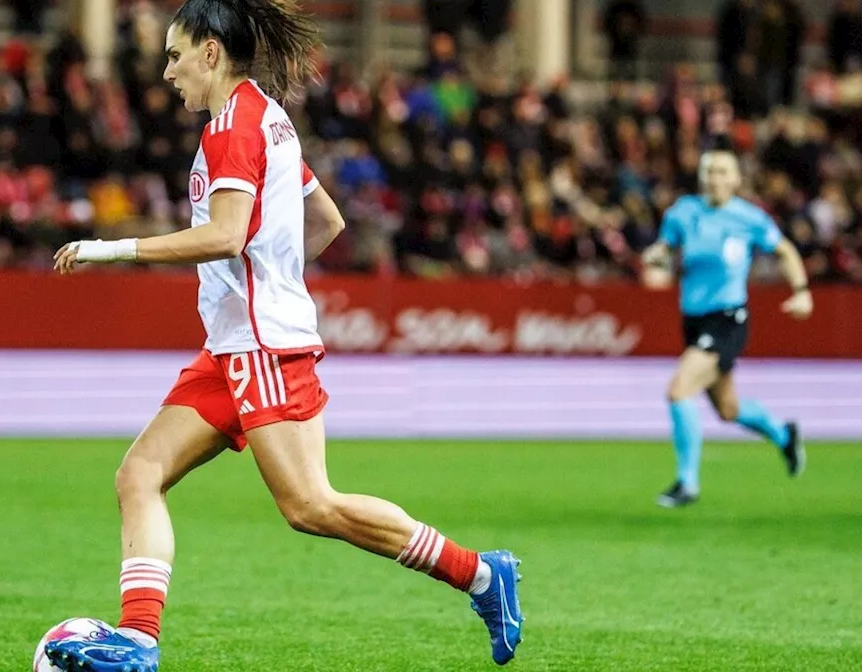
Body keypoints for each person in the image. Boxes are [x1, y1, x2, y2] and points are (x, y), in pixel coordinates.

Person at [44, 1, 524, 670]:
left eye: (177, 54)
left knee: (310, 505)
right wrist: (275, 279)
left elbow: (226, 234)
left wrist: (113, 248)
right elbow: (324, 220)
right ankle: (138, 642)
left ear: (211, 52)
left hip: (261, 345)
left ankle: (479, 574)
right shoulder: (268, 119)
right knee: (140, 473)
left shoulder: (232, 130)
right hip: (238, 344)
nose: (168, 69)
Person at [641, 144, 812, 509]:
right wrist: (657, 255)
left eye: (723, 171)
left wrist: (801, 291)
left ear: (736, 179)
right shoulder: (683, 213)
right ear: (701, 177)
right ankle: (784, 435)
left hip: (728, 318)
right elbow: (665, 248)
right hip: (694, 319)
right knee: (728, 409)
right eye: (709, 170)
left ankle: (688, 483)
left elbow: (785, 251)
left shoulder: (749, 219)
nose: (715, 178)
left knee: (679, 389)